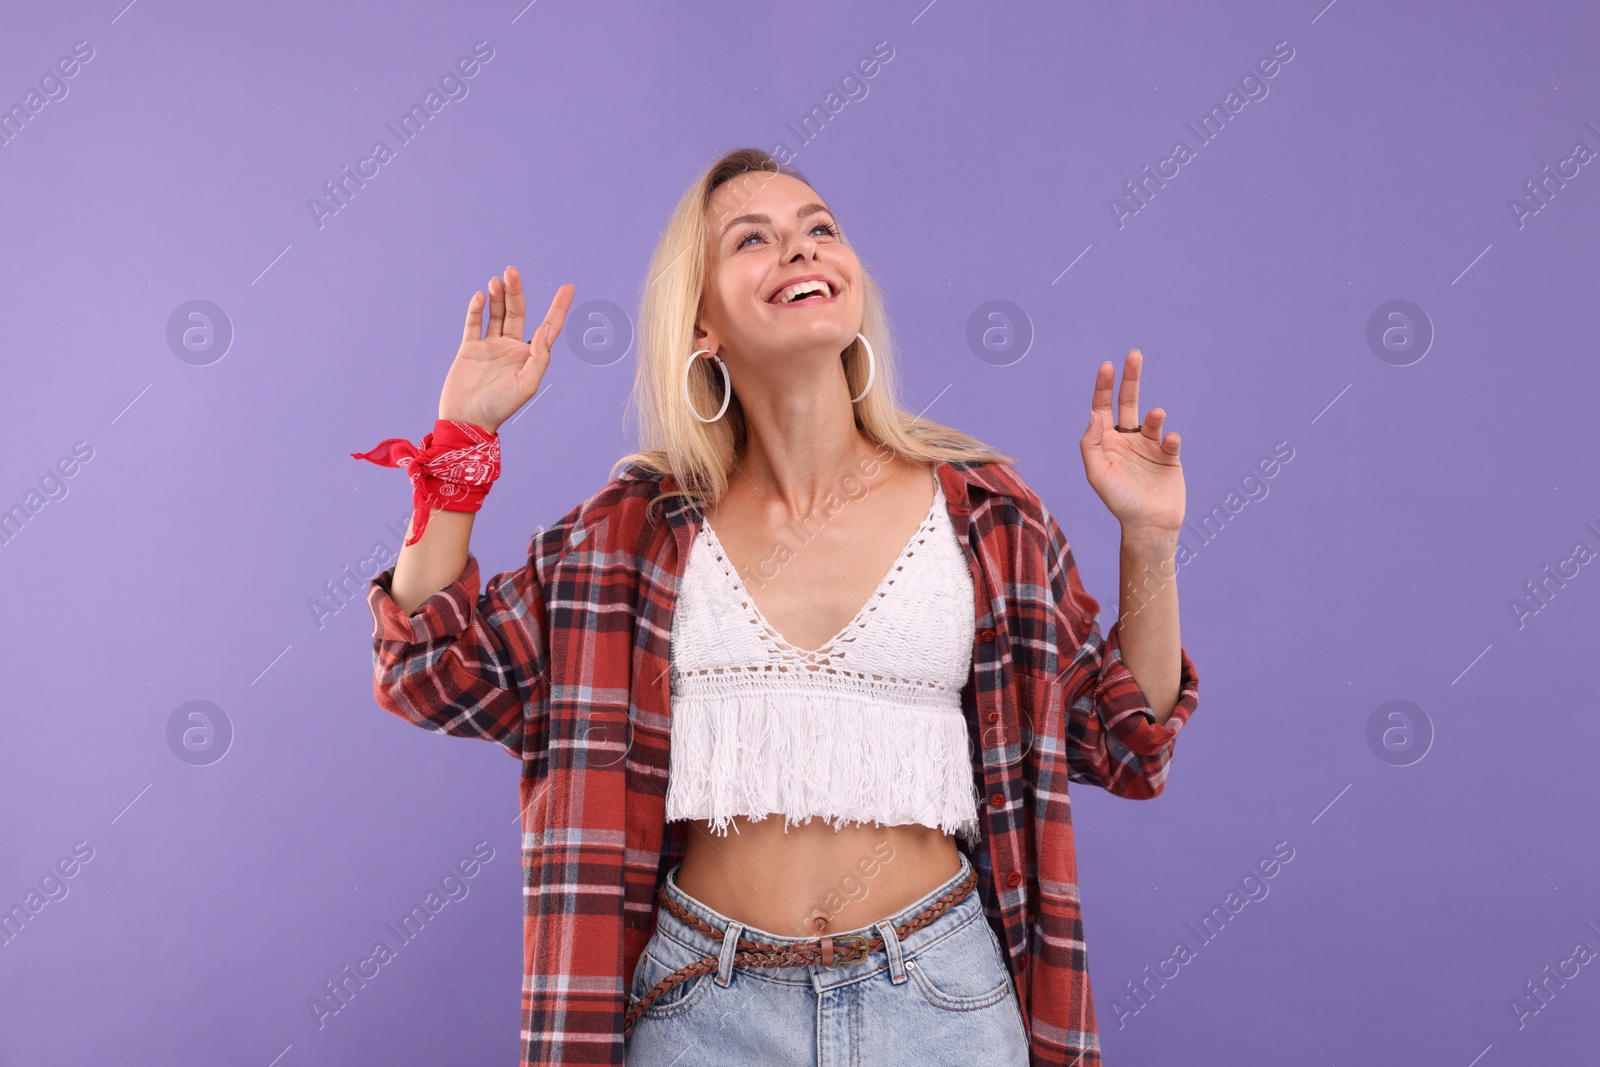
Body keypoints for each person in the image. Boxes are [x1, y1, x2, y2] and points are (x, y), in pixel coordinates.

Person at [357, 147, 1200, 1067]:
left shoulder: (987, 515)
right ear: (702, 323)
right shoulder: (630, 534)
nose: (800, 251)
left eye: (820, 230)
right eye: (752, 239)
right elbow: (428, 672)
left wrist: (1148, 541)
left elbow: (1128, 738)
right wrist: (462, 443)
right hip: (703, 1008)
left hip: (942, 999)